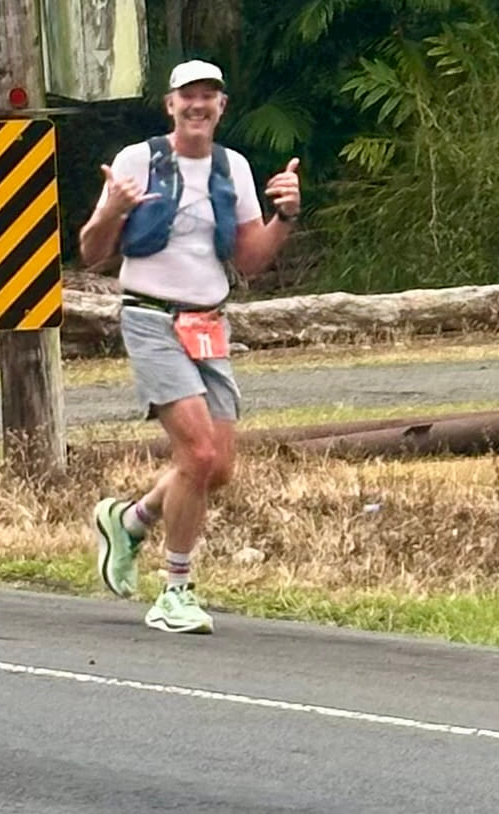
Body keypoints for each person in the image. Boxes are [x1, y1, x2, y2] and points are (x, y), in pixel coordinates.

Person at [79, 59, 301, 634]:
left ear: (222, 107)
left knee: (216, 468)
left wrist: (285, 217)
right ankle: (176, 591)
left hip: (210, 324)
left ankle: (130, 519)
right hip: (150, 317)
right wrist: (113, 208)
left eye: (209, 97)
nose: (198, 106)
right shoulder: (138, 160)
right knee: (198, 456)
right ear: (169, 105)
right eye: (188, 97)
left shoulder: (233, 167)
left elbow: (251, 258)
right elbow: (92, 251)